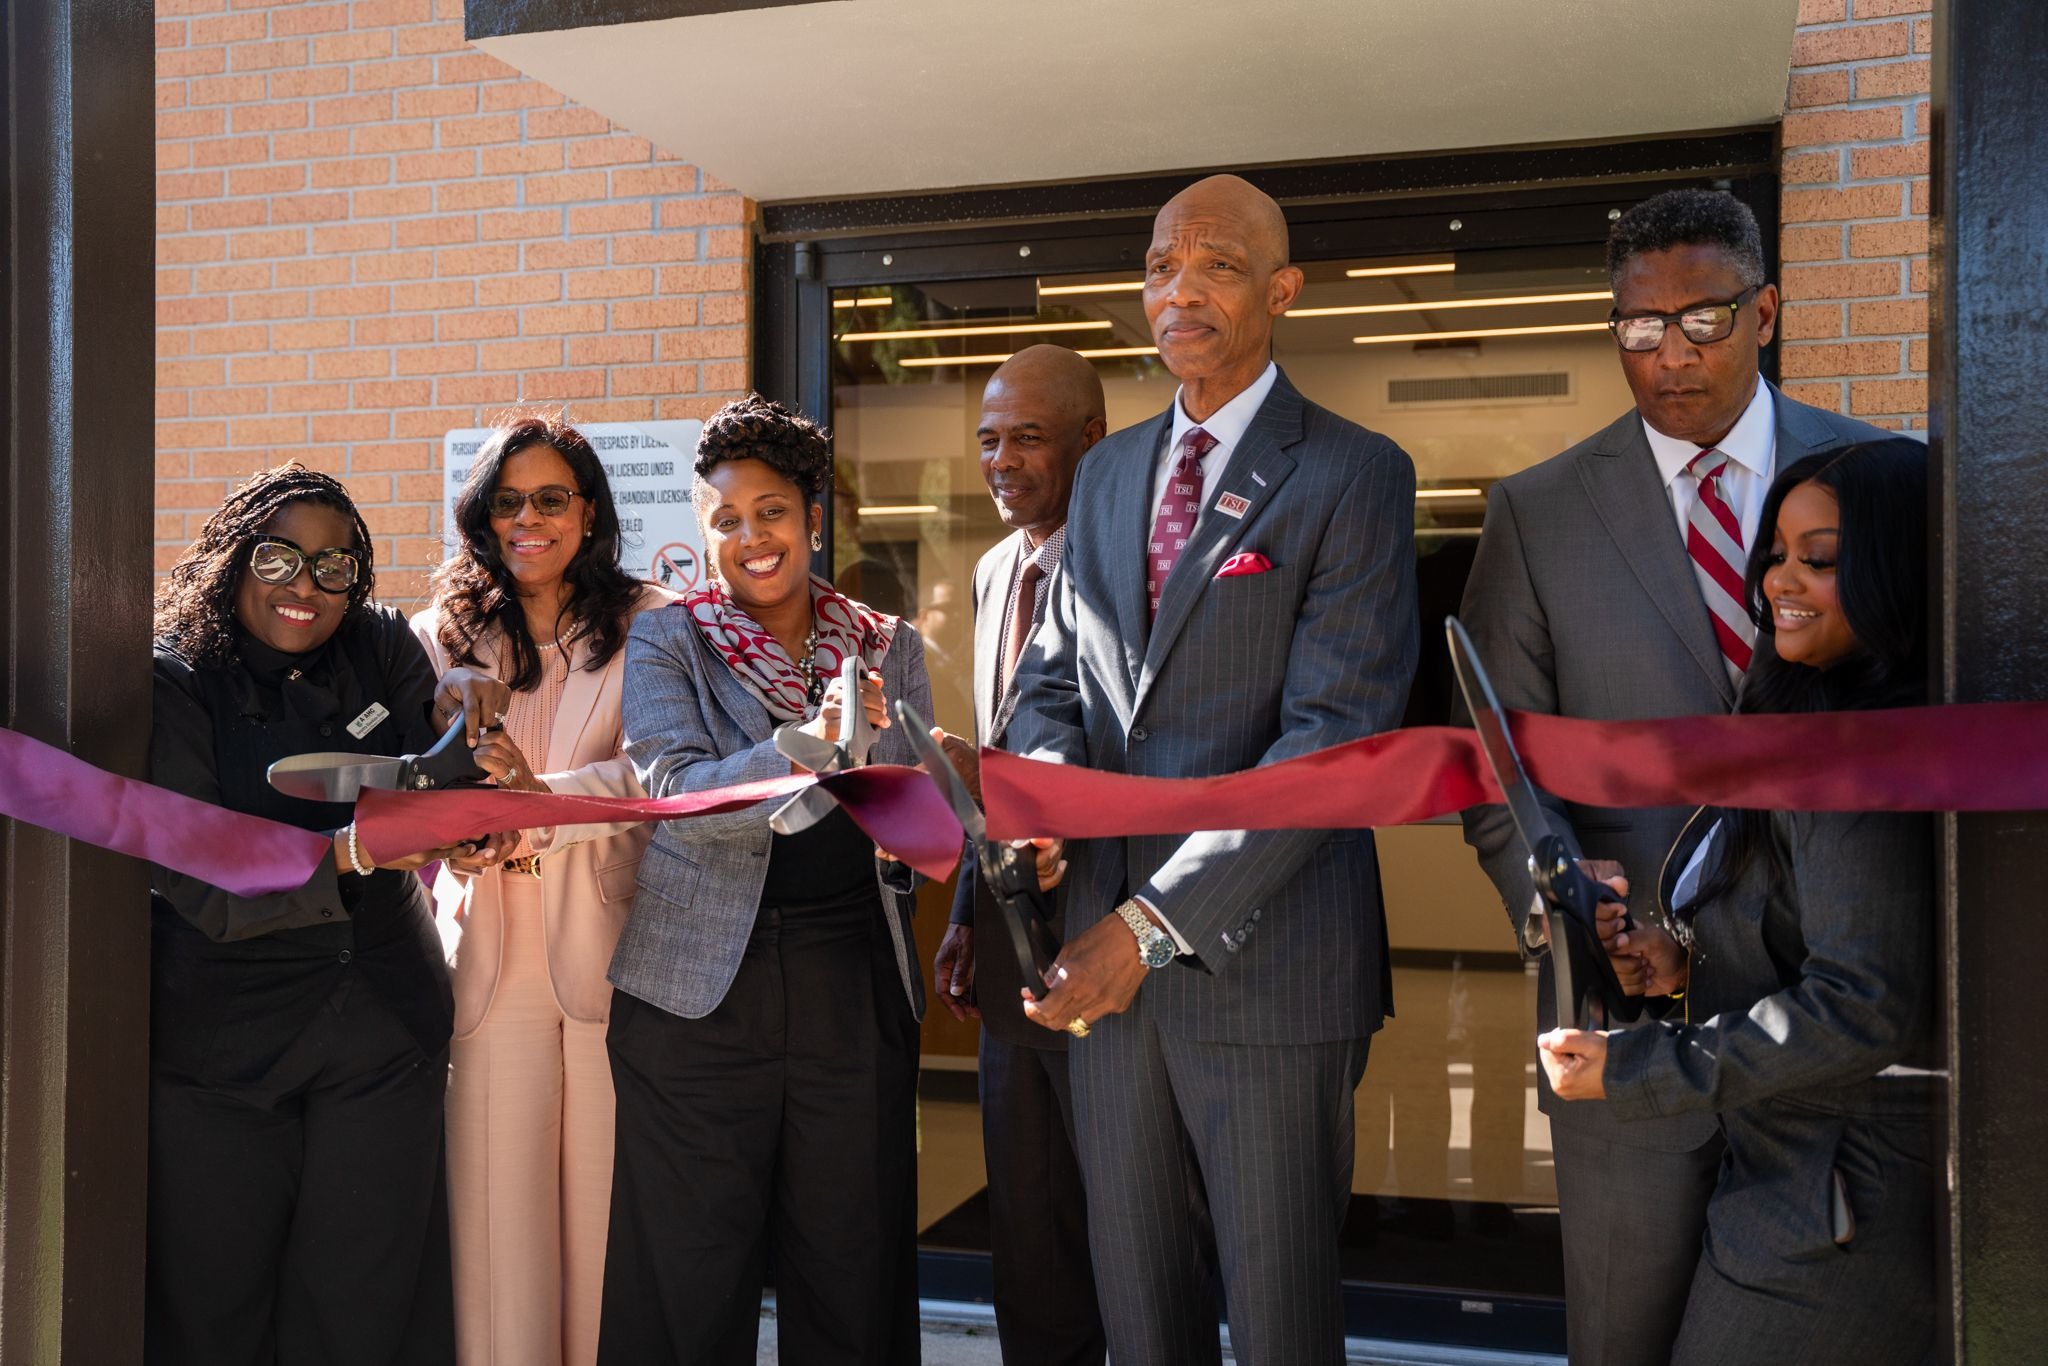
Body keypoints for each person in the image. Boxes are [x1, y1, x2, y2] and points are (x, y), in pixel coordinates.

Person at [1456, 187, 1891, 1366]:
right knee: (1625, 1340)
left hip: (1829, 1023)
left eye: (1698, 321)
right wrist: (1560, 896)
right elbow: (1493, 768)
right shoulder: (1536, 513)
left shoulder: (1881, 482)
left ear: (1765, 310)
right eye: (1637, 329)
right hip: (1623, 1011)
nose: (1666, 356)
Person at [1007, 174, 1420, 1366]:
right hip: (1095, 957)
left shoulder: (1351, 473)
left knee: (1280, 1322)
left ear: (1280, 292)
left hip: (1269, 968)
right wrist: (1039, 796)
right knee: (1140, 1316)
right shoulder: (1104, 474)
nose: (1176, 288)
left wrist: (1145, 929)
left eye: (1217, 265)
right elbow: (1053, 678)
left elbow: (1329, 744)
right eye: (1156, 265)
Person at [1537, 437, 1937, 1366]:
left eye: (1821, 559)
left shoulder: (1851, 754)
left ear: (1894, 570)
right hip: (1790, 1177)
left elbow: (1866, 1000)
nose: (1779, 581)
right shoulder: (1810, 720)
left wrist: (1635, 1068)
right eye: (1778, 553)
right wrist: (1683, 962)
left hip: (1835, 1201)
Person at [147, 463, 511, 1366]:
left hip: (382, 1032)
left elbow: (438, 768)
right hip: (223, 1047)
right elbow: (202, 876)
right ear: (234, 560)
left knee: (365, 1305)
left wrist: (469, 748)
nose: (306, 586)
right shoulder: (174, 681)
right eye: (279, 559)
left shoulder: (382, 646)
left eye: (334, 567)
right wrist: (354, 850)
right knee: (213, 1306)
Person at [597, 394, 933, 1365]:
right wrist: (811, 750)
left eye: (772, 511)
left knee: (851, 1274)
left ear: (812, 519)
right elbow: (677, 788)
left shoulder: (885, 644)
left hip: (848, 981)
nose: (751, 537)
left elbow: (911, 818)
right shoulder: (669, 639)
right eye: (726, 520)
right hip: (697, 998)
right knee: (684, 1284)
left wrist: (897, 757)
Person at [411, 413, 677, 1366]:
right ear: (482, 519)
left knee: (608, 1236)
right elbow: (411, 784)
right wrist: (454, 830)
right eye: (507, 502)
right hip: (486, 961)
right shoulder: (437, 637)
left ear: (590, 510)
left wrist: (539, 799)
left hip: (611, 960)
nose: (530, 519)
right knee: (494, 1238)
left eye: (551, 498)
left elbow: (661, 775)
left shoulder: (653, 623)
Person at [932, 344, 1109, 1366]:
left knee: (1116, 1235)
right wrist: (962, 916)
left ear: (1091, 436)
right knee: (1027, 1238)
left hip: (1108, 936)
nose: (1000, 459)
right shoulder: (1000, 568)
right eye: (988, 439)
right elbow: (994, 753)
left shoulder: (1129, 558)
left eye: (1026, 437)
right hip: (1008, 948)